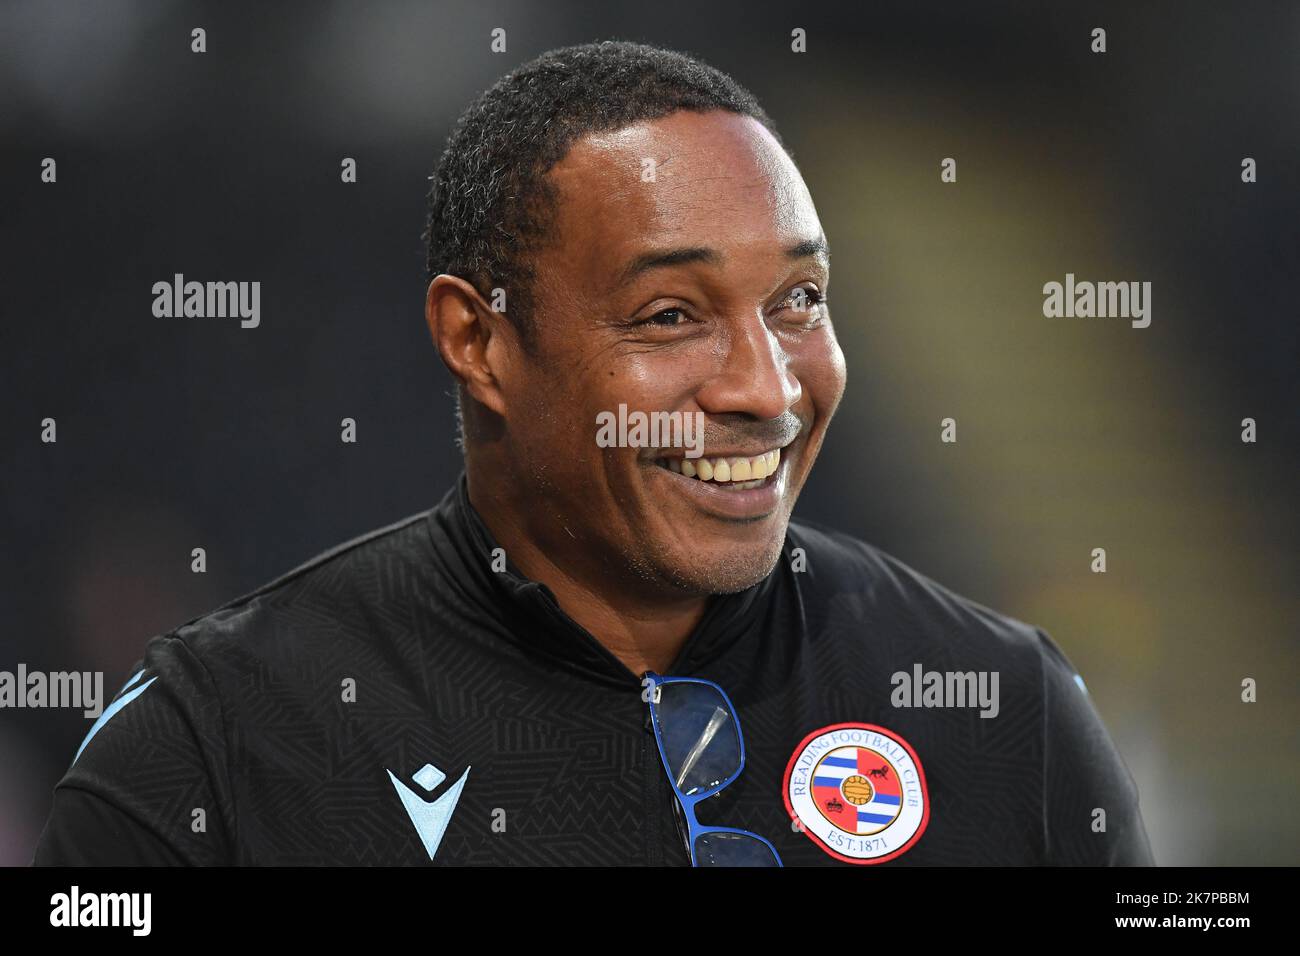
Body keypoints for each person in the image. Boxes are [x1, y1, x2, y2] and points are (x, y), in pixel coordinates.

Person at [33, 40, 1153, 866]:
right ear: (478, 341)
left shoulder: (1005, 710)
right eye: (669, 314)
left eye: (799, 301)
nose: (766, 388)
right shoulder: (215, 742)